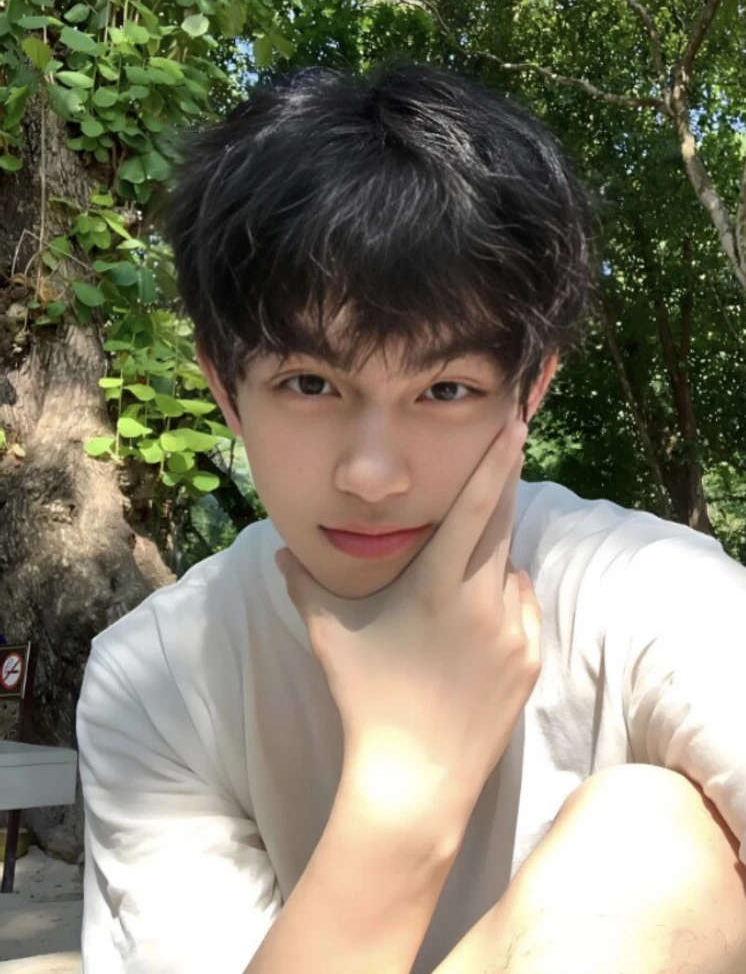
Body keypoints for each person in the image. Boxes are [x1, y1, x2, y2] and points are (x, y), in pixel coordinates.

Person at [76, 62, 746, 973]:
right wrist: (410, 782)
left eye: (445, 389)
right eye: (309, 383)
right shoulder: (158, 678)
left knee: (653, 841)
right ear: (225, 388)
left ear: (530, 390)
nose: (371, 474)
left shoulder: (650, 598)